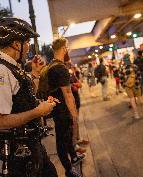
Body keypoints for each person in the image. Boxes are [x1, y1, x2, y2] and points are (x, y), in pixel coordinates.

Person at [0, 17, 58, 177]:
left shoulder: (10, 67)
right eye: (27, 42)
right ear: (16, 44)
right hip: (18, 158)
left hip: (31, 149)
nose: (29, 47)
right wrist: (38, 112)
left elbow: (22, 96)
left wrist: (34, 74)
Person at [48, 37, 84, 177]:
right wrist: (74, 115)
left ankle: (72, 159)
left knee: (65, 138)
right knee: (62, 141)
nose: (67, 50)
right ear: (63, 48)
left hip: (57, 110)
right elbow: (68, 94)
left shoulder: (51, 65)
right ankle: (69, 170)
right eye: (67, 48)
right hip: (62, 111)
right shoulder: (60, 68)